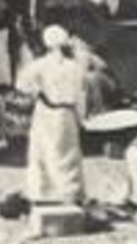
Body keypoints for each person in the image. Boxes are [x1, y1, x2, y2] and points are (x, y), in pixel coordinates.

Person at [17, 24, 89, 205]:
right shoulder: (76, 67)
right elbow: (81, 92)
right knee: (68, 153)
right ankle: (70, 192)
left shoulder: (40, 65)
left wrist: (37, 90)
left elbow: (21, 84)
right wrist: (82, 117)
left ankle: (43, 192)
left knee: (42, 151)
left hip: (47, 111)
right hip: (68, 112)